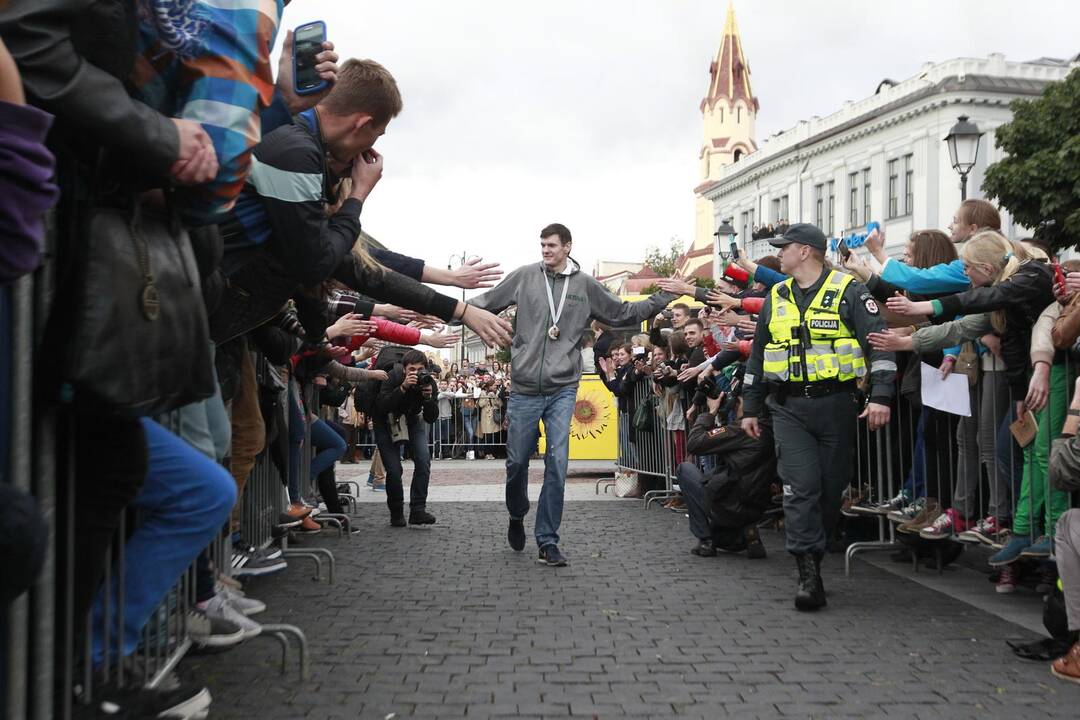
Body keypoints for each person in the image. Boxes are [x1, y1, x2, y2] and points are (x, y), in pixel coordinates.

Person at [470, 223, 678, 566]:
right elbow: (485, 303)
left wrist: (662, 298)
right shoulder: (524, 277)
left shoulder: (584, 286)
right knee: (517, 462)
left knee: (557, 462)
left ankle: (548, 540)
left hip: (562, 388)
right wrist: (441, 309)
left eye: (551, 245)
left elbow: (622, 313)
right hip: (523, 388)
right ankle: (516, 513)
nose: (545, 250)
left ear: (568, 246)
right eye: (542, 245)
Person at [741, 224, 896, 611]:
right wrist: (751, 406)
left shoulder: (850, 292)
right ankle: (808, 572)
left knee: (829, 491)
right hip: (788, 408)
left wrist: (881, 396)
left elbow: (879, 345)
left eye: (785, 247)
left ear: (806, 251)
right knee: (800, 487)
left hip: (837, 405)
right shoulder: (776, 296)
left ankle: (818, 544)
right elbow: (759, 357)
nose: (779, 253)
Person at [677, 388, 775, 558]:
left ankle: (706, 540)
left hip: (728, 503)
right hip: (757, 505)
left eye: (737, 401)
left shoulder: (742, 430)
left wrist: (710, 413)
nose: (734, 405)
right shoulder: (775, 430)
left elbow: (694, 444)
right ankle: (748, 534)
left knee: (685, 470)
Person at [372, 349, 439, 526]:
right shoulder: (392, 377)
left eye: (420, 369)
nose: (416, 373)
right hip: (385, 422)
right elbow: (383, 406)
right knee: (394, 470)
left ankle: (418, 510)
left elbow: (431, 417)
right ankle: (396, 513)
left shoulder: (428, 381)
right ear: (404, 369)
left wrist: (428, 398)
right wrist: (402, 388)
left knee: (424, 460)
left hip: (410, 420)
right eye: (412, 369)